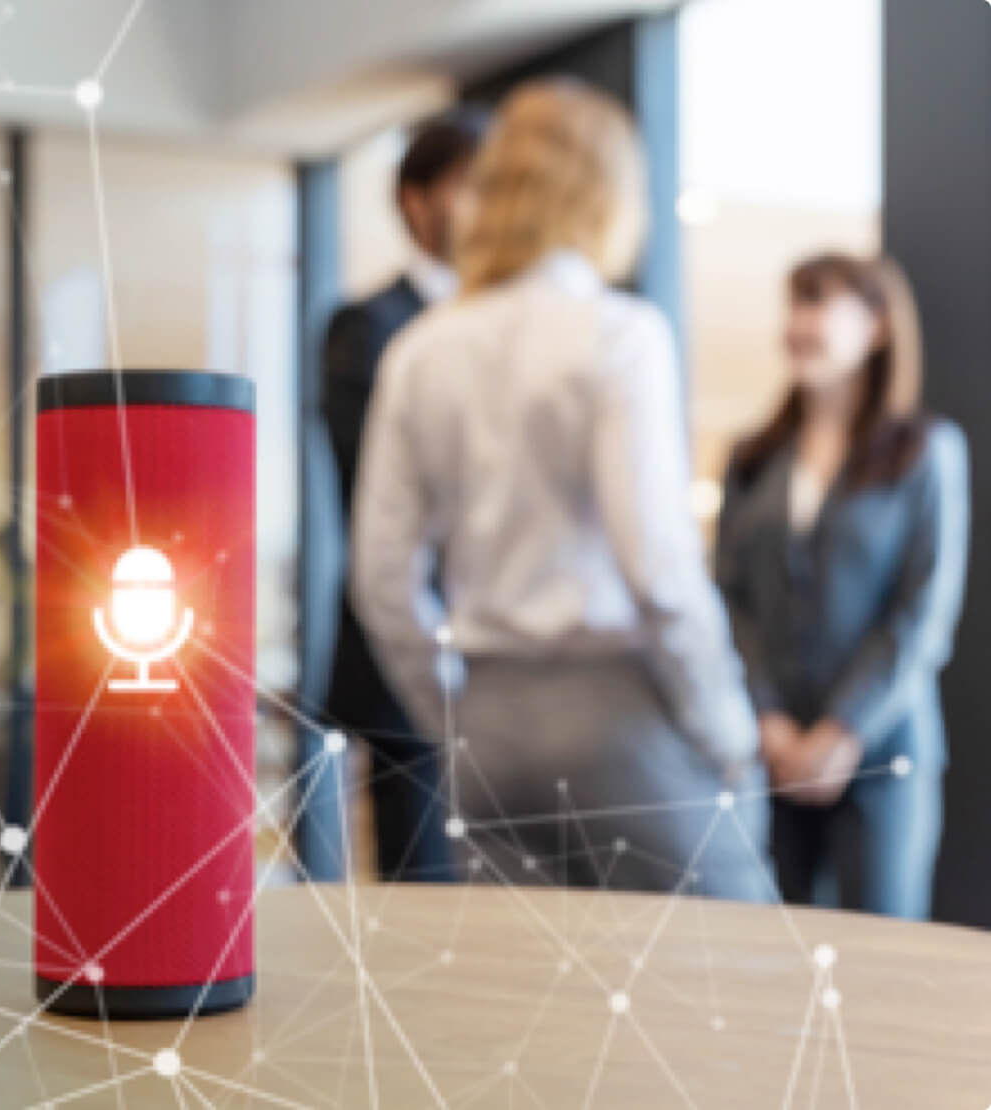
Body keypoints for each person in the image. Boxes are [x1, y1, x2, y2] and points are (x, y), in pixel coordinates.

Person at [352, 78, 770, 900]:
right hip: (614, 719)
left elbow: (380, 579)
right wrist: (727, 729)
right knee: (741, 982)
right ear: (604, 193)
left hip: (490, 732)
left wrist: (454, 719)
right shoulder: (619, 335)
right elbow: (658, 568)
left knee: (540, 1012)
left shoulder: (420, 351)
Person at [714, 253, 968, 919]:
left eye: (817, 302)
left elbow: (922, 613)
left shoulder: (925, 452)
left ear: (878, 327)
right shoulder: (755, 457)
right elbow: (730, 599)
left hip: (882, 751)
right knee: (780, 957)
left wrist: (841, 731)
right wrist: (768, 717)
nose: (798, 323)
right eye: (792, 303)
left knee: (882, 956)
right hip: (769, 751)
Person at [321, 110, 484, 882]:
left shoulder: (506, 329)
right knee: (421, 900)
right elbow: (380, 496)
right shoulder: (368, 327)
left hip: (507, 664)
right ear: (417, 200)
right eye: (470, 185)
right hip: (404, 659)